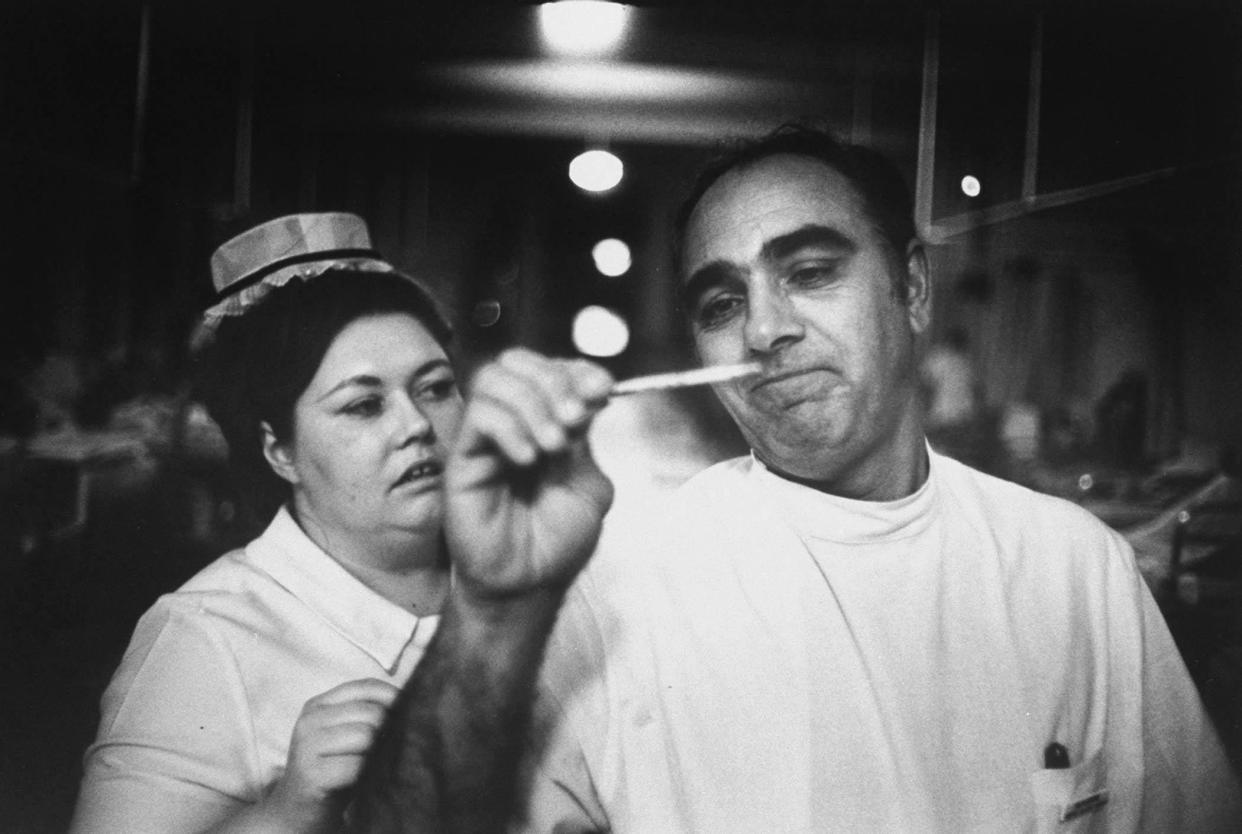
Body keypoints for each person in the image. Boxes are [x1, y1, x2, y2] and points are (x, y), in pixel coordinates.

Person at [496, 126, 1239, 831]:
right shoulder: (619, 591)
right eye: (724, 303)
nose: (762, 331)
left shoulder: (1077, 570)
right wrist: (481, 612)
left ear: (912, 290)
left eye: (811, 273)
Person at [69, 213, 616, 834]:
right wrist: (287, 811)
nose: (415, 425)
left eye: (435, 389)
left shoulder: (547, 576)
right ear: (280, 451)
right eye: (363, 405)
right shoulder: (205, 634)